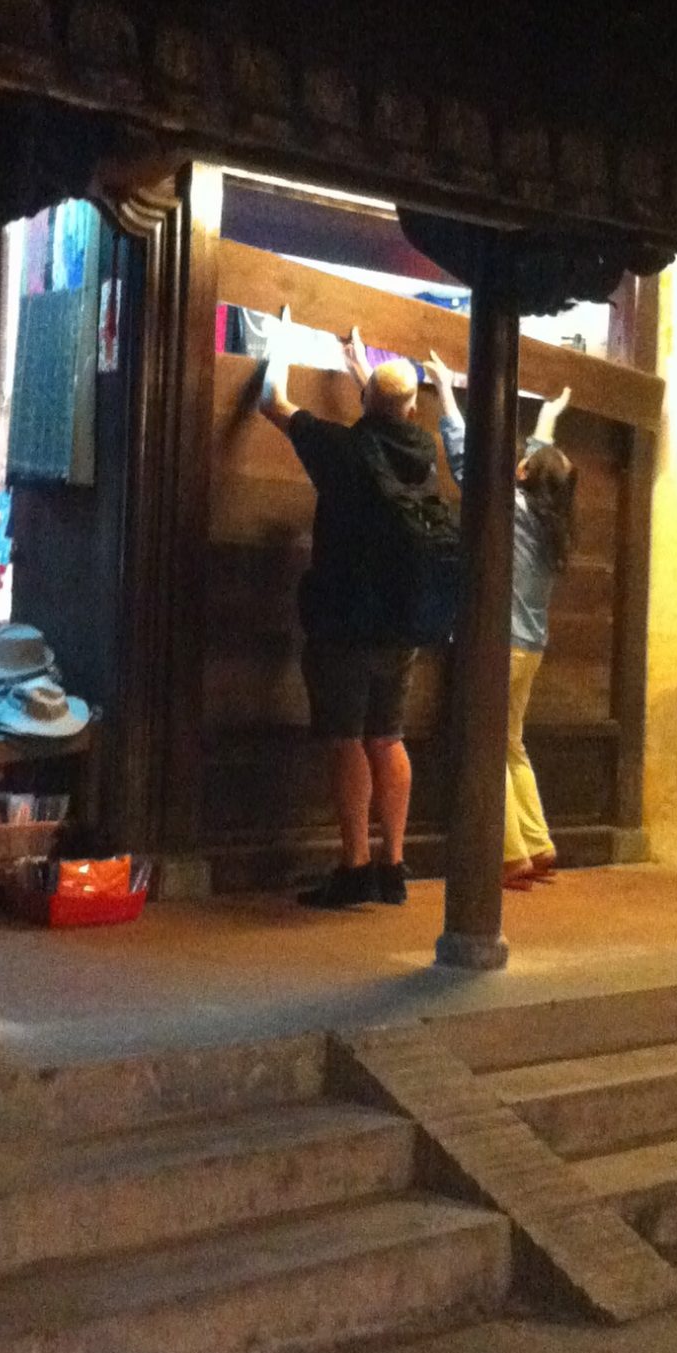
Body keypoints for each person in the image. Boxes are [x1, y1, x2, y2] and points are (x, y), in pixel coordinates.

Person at [258, 307, 453, 908]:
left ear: (366, 401)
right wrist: (363, 369)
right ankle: (392, 866)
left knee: (345, 739)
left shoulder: (340, 449)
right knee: (387, 738)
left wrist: (282, 338)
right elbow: (390, 413)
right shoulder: (425, 458)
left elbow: (271, 401)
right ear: (414, 411)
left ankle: (354, 867)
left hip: (343, 624)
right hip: (403, 625)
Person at [428, 351, 577, 889]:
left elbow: (466, 461)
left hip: (498, 645)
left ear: (523, 475)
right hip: (530, 648)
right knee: (512, 743)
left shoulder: (509, 507)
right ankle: (538, 843)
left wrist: (445, 391)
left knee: (487, 746)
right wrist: (548, 417)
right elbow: (540, 461)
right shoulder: (551, 520)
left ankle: (510, 854)